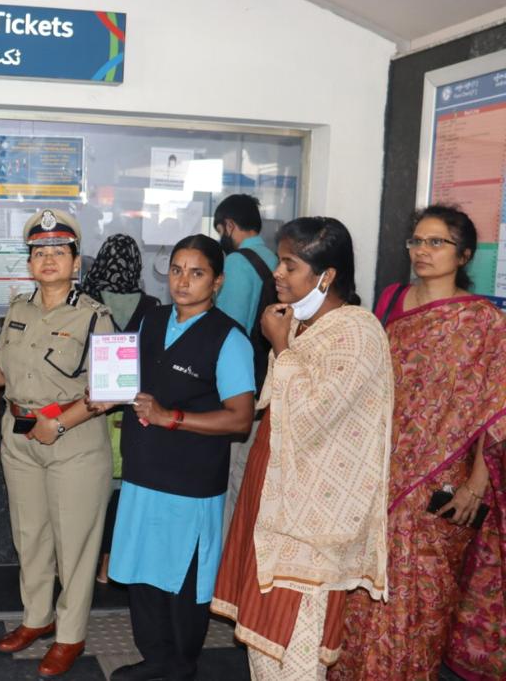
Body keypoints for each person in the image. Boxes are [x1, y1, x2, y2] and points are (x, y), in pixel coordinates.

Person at [211, 217, 394, 680]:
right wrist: (286, 341)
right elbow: (277, 403)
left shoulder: (356, 332)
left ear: (326, 275)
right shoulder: (306, 326)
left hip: (312, 520)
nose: (277, 273)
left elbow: (313, 414)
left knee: (296, 643)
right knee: (264, 640)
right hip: (275, 497)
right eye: (280, 262)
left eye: (289, 265)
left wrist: (280, 344)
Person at [332, 205, 506, 680]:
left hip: (440, 480)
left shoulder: (484, 321)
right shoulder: (391, 301)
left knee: (423, 595)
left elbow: (494, 413)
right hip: (376, 471)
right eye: (416, 241)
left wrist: (474, 486)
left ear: (464, 254)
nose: (422, 251)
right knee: (363, 589)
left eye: (436, 242)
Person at [0, 208, 114, 678]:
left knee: (74, 545)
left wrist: (58, 424)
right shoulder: (19, 310)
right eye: (39, 252)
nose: (48, 259)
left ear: (76, 262)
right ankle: (37, 618)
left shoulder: (94, 317)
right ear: (28, 263)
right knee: (30, 536)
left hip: (73, 441)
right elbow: (0, 375)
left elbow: (108, 390)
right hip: (20, 436)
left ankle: (70, 635)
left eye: (58, 252)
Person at [88, 235, 255, 681]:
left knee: (182, 577)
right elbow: (135, 381)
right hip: (143, 472)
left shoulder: (228, 338)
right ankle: (155, 659)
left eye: (196, 273)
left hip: (189, 482)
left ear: (217, 281)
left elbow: (240, 418)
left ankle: (180, 665)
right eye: (177, 270)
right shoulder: (154, 319)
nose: (183, 281)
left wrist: (172, 418)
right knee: (143, 571)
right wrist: (108, 395)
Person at [76, 234, 160, 584]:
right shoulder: (153, 306)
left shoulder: (86, 301)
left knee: (88, 494)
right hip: (135, 413)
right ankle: (108, 564)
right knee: (122, 494)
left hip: (91, 411)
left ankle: (77, 562)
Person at [212, 194, 278, 534]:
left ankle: (223, 557)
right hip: (264, 384)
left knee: (228, 482)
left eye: (219, 230)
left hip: (239, 389)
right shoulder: (273, 258)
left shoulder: (238, 263)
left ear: (229, 226)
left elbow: (228, 329)